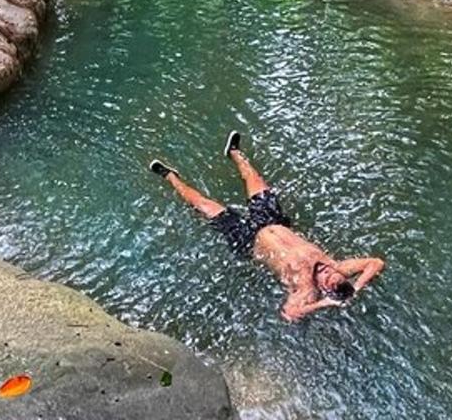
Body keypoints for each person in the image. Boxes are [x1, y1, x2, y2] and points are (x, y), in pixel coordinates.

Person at [150, 131, 385, 322]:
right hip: (273, 221)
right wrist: (356, 289)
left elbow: (289, 313)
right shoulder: (337, 267)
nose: (326, 272)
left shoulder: (306, 289)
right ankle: (234, 152)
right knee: (257, 181)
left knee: (202, 205)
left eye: (328, 280)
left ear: (324, 290)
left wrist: (326, 303)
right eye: (333, 274)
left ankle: (170, 176)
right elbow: (375, 262)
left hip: (249, 241)